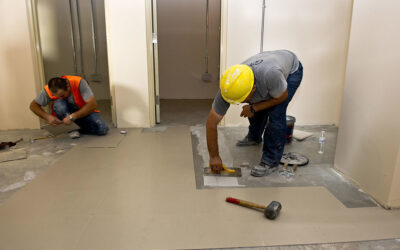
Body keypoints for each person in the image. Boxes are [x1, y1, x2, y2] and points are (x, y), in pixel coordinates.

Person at [206, 50, 303, 177]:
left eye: (243, 100)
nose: (239, 103)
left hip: (291, 70)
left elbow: (281, 97)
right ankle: (254, 137)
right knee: (256, 106)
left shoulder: (270, 75)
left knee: (276, 113)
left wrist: (254, 108)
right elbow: (211, 124)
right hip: (269, 63)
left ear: (254, 88)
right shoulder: (229, 87)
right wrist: (214, 156)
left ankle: (270, 161)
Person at [30, 75, 109, 138]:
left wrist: (74, 116)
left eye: (62, 95)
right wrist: (47, 117)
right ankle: (71, 128)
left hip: (83, 111)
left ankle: (76, 127)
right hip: (66, 114)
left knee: (102, 129)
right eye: (57, 96)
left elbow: (93, 104)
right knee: (59, 104)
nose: (60, 98)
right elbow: (33, 106)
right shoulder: (48, 90)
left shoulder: (78, 82)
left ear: (67, 87)